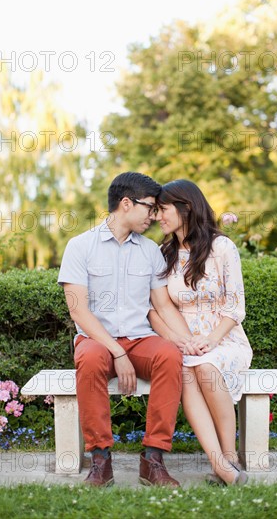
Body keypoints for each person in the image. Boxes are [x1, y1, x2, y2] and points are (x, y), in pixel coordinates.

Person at [58, 172, 197, 487]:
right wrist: (116, 351)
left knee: (169, 355)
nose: (153, 215)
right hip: (97, 341)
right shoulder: (80, 247)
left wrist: (189, 341)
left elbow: (162, 306)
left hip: (140, 340)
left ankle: (153, 458)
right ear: (125, 203)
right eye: (149, 207)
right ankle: (100, 460)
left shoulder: (149, 251)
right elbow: (78, 309)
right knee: (91, 359)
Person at [149, 180, 253, 486]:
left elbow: (235, 308)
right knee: (185, 370)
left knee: (206, 366)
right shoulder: (163, 253)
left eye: (163, 209)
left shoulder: (222, 248)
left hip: (224, 338)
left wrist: (210, 340)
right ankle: (220, 465)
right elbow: (154, 310)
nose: (158, 217)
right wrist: (180, 341)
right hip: (183, 340)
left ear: (186, 207)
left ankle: (230, 456)